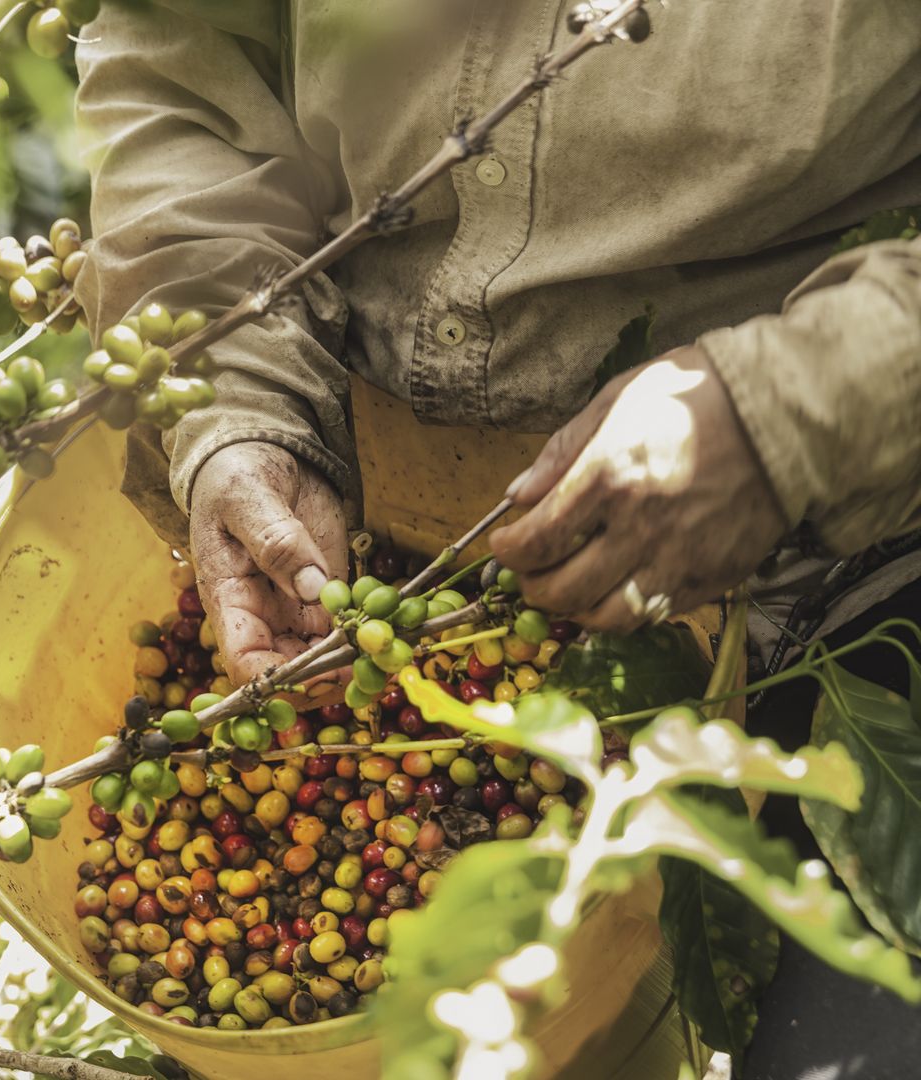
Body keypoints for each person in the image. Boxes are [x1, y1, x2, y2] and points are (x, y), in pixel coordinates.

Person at [72, 1, 921, 1075]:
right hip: (390, 503)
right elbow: (185, 56)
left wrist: (799, 407)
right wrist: (236, 396)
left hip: (863, 544)